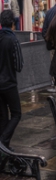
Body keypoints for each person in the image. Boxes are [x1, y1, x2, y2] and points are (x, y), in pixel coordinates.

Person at [0, 10, 23, 146]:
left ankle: (4, 149)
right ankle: (3, 142)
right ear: (12, 24)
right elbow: (19, 65)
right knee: (16, 114)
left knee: (3, 116)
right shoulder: (13, 40)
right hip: (9, 83)